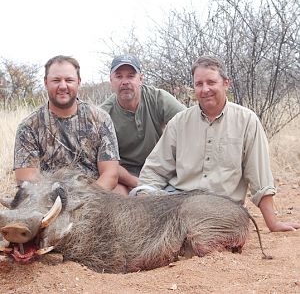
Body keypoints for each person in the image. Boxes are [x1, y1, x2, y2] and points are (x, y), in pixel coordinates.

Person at [138, 55, 300, 232]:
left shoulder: (247, 120)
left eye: (211, 82)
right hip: (179, 203)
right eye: (199, 84)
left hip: (223, 210)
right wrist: (146, 200)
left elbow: (259, 178)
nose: (205, 89)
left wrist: (273, 223)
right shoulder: (179, 122)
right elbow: (154, 170)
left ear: (226, 83)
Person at [14, 55, 120, 192]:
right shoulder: (28, 127)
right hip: (48, 202)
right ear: (46, 82)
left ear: (79, 82)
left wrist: (83, 200)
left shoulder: (100, 119)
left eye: (69, 80)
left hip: (93, 199)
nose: (63, 86)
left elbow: (110, 175)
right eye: (56, 80)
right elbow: (27, 182)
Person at [101, 54, 186, 193]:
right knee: (116, 194)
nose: (125, 82)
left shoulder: (158, 98)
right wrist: (140, 184)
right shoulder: (103, 115)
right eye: (119, 76)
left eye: (130, 76)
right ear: (111, 81)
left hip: (160, 168)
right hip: (126, 175)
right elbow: (107, 165)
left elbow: (187, 124)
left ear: (141, 79)